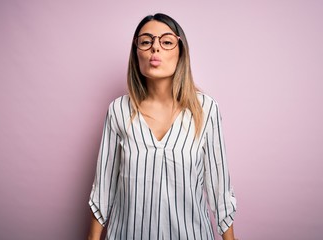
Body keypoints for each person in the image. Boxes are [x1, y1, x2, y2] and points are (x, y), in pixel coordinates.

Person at [88, 13, 237, 240]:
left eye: (166, 42)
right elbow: (103, 187)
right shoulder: (118, 111)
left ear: (181, 52)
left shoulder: (206, 110)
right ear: (136, 52)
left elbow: (220, 189)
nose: (155, 49)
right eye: (146, 42)